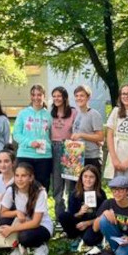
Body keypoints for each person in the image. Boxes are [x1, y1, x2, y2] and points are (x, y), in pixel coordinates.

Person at [0, 162, 54, 255]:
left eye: (23, 176)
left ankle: (40, 246)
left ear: (31, 178)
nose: (19, 179)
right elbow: (3, 212)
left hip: (41, 226)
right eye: (17, 175)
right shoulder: (11, 190)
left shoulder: (40, 192)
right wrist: (16, 212)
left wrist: (12, 229)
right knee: (2, 223)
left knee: (25, 237)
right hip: (22, 222)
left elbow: (35, 222)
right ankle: (16, 248)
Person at [13, 84, 54, 190]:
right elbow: (16, 134)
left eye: (39, 95)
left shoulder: (49, 115)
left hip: (44, 157)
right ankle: (24, 207)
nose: (36, 97)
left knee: (42, 187)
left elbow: (52, 136)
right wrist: (30, 142)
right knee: (23, 186)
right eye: (33, 95)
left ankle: (40, 206)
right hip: (25, 155)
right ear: (31, 97)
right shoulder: (23, 114)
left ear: (44, 96)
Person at [58, 165, 107, 250]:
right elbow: (72, 215)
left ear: (96, 179)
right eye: (85, 176)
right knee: (63, 216)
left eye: (91, 177)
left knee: (89, 240)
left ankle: (86, 238)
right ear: (81, 178)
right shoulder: (75, 194)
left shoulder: (101, 194)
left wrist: (87, 223)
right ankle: (74, 236)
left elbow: (103, 217)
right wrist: (80, 212)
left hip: (92, 224)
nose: (88, 180)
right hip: (77, 224)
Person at [50, 87, 76, 218]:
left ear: (65, 97)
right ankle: (60, 215)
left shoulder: (73, 112)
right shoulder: (50, 113)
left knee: (71, 184)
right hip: (54, 148)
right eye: (54, 96)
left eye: (59, 96)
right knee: (57, 184)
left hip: (69, 148)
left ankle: (71, 214)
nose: (56, 99)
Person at [71, 85, 104, 171]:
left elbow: (100, 137)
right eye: (77, 96)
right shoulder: (78, 114)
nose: (79, 98)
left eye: (82, 95)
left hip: (92, 157)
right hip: (79, 156)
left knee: (92, 184)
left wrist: (81, 135)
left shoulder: (94, 114)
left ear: (88, 97)